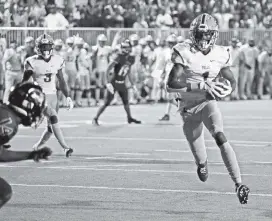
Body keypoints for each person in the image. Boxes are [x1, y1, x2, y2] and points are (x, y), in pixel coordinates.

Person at [166, 13, 250, 204]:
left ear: (213, 34)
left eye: (207, 34)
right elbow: (171, 85)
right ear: (193, 33)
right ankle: (202, 164)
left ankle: (239, 184)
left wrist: (227, 89)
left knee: (219, 135)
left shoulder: (221, 53)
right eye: (200, 34)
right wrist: (201, 86)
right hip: (188, 108)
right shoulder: (184, 51)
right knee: (201, 161)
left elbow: (231, 81)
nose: (203, 38)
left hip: (207, 102)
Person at [0, 81, 52, 209]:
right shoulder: (8, 122)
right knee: (3, 192)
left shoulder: (5, 113)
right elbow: (2, 155)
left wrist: (31, 155)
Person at [22, 34, 74, 157]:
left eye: (47, 46)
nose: (46, 49)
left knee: (51, 127)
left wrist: (68, 96)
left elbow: (61, 80)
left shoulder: (58, 60)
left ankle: (36, 147)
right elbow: (25, 82)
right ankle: (65, 147)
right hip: (40, 96)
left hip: (53, 95)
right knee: (53, 116)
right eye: (43, 46)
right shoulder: (31, 61)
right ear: (38, 48)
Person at [93, 40, 141, 126]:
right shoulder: (118, 57)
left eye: (127, 47)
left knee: (126, 102)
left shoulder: (131, 58)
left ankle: (129, 118)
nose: (126, 49)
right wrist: (108, 83)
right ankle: (95, 118)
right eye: (124, 47)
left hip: (122, 83)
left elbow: (128, 72)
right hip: (114, 83)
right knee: (107, 102)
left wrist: (133, 85)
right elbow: (108, 69)